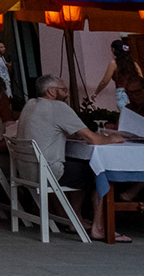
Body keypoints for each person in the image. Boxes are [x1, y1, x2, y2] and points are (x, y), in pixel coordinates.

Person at [17, 73, 127, 241]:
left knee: (78, 167)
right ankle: (98, 228)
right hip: (47, 173)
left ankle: (75, 219)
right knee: (97, 172)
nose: (67, 94)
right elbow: (93, 139)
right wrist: (112, 138)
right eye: (64, 90)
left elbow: (50, 130)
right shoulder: (58, 107)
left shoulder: (30, 104)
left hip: (26, 171)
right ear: (52, 91)